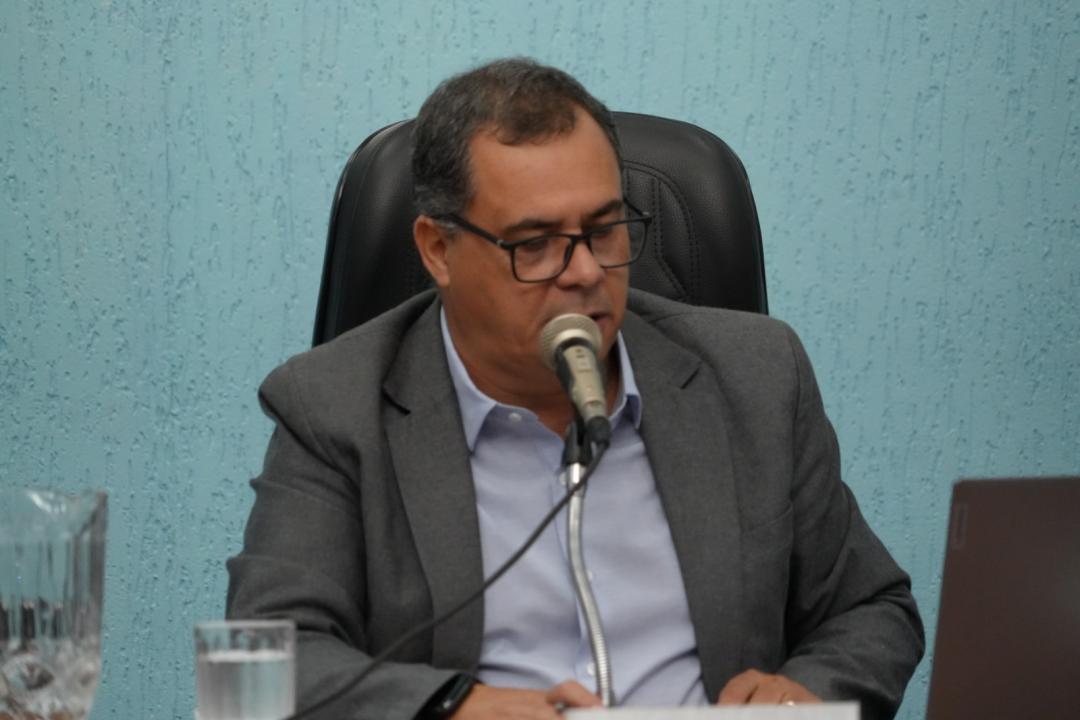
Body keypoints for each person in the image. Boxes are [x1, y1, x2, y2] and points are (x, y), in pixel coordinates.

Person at [227, 58, 924, 720]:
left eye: (604, 230)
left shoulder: (756, 376)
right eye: (534, 244)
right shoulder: (333, 407)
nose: (586, 272)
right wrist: (448, 705)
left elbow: (870, 610)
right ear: (438, 250)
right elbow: (266, 663)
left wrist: (802, 696)